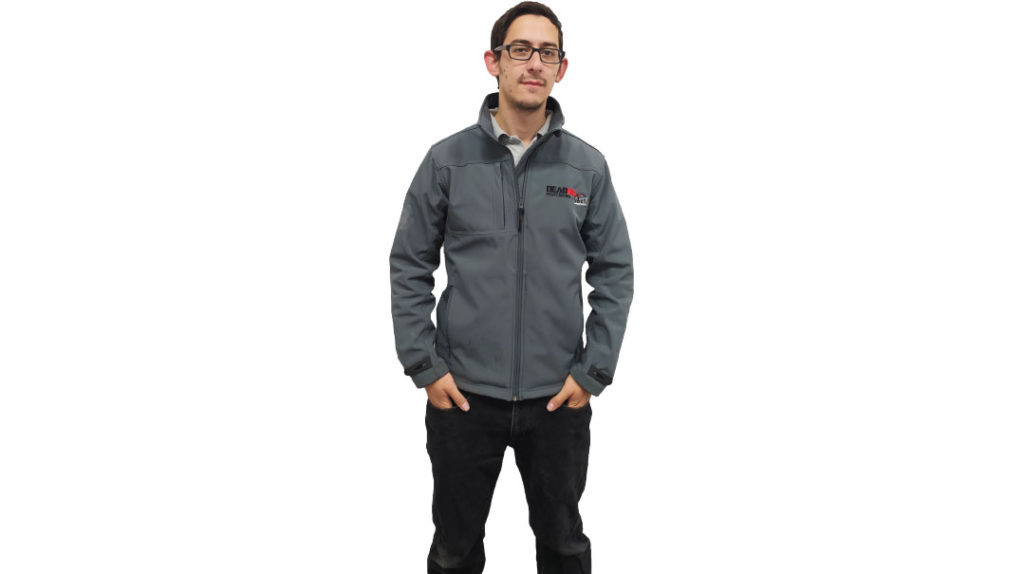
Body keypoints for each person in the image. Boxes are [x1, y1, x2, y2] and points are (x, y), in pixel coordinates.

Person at [389, 3, 633, 572]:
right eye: (520, 50)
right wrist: (424, 365)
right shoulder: (447, 162)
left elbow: (615, 270)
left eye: (547, 53)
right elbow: (409, 263)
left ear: (562, 68)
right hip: (463, 396)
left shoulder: (586, 168)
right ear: (493, 61)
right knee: (454, 551)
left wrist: (593, 371)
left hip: (557, 399)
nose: (534, 63)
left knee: (564, 547)